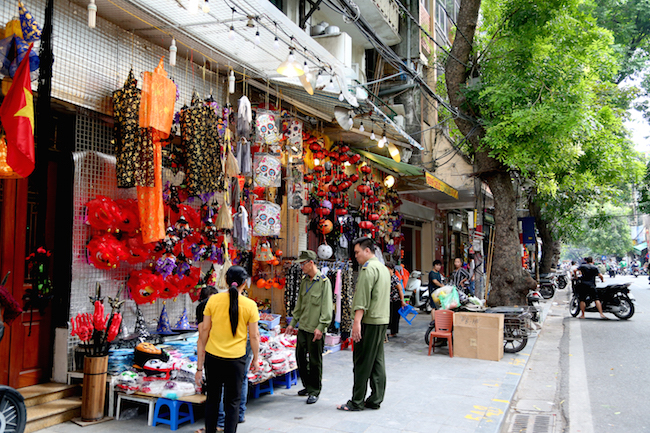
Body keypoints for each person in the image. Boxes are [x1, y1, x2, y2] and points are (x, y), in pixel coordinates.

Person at [196, 266, 260, 433]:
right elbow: (254, 336)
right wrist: (256, 359)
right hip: (236, 360)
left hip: (213, 357)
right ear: (244, 283)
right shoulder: (250, 305)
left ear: (225, 280)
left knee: (212, 400)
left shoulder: (212, 301)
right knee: (232, 403)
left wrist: (199, 366)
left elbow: (204, 331)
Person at [337, 237, 390, 412]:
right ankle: (375, 399)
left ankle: (357, 401)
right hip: (382, 320)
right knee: (377, 360)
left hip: (370, 321)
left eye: (358, 252)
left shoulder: (368, 269)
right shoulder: (383, 269)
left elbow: (362, 299)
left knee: (362, 362)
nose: (356, 256)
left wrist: (356, 323)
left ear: (368, 251)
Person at [285, 250, 333, 405]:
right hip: (304, 327)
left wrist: (321, 326)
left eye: (302, 264)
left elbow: (327, 308)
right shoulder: (305, 281)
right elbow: (299, 305)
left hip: (316, 329)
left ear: (310, 263)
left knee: (314, 361)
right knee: (299, 356)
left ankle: (314, 390)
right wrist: (292, 323)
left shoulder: (324, 282)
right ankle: (307, 385)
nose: (301, 267)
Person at [387, 263, 407, 338]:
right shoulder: (387, 278)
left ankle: (393, 332)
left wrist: (402, 301)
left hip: (396, 300)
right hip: (389, 300)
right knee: (390, 316)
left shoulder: (395, 278)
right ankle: (391, 330)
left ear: (392, 270)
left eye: (388, 269)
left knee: (394, 317)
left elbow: (400, 290)